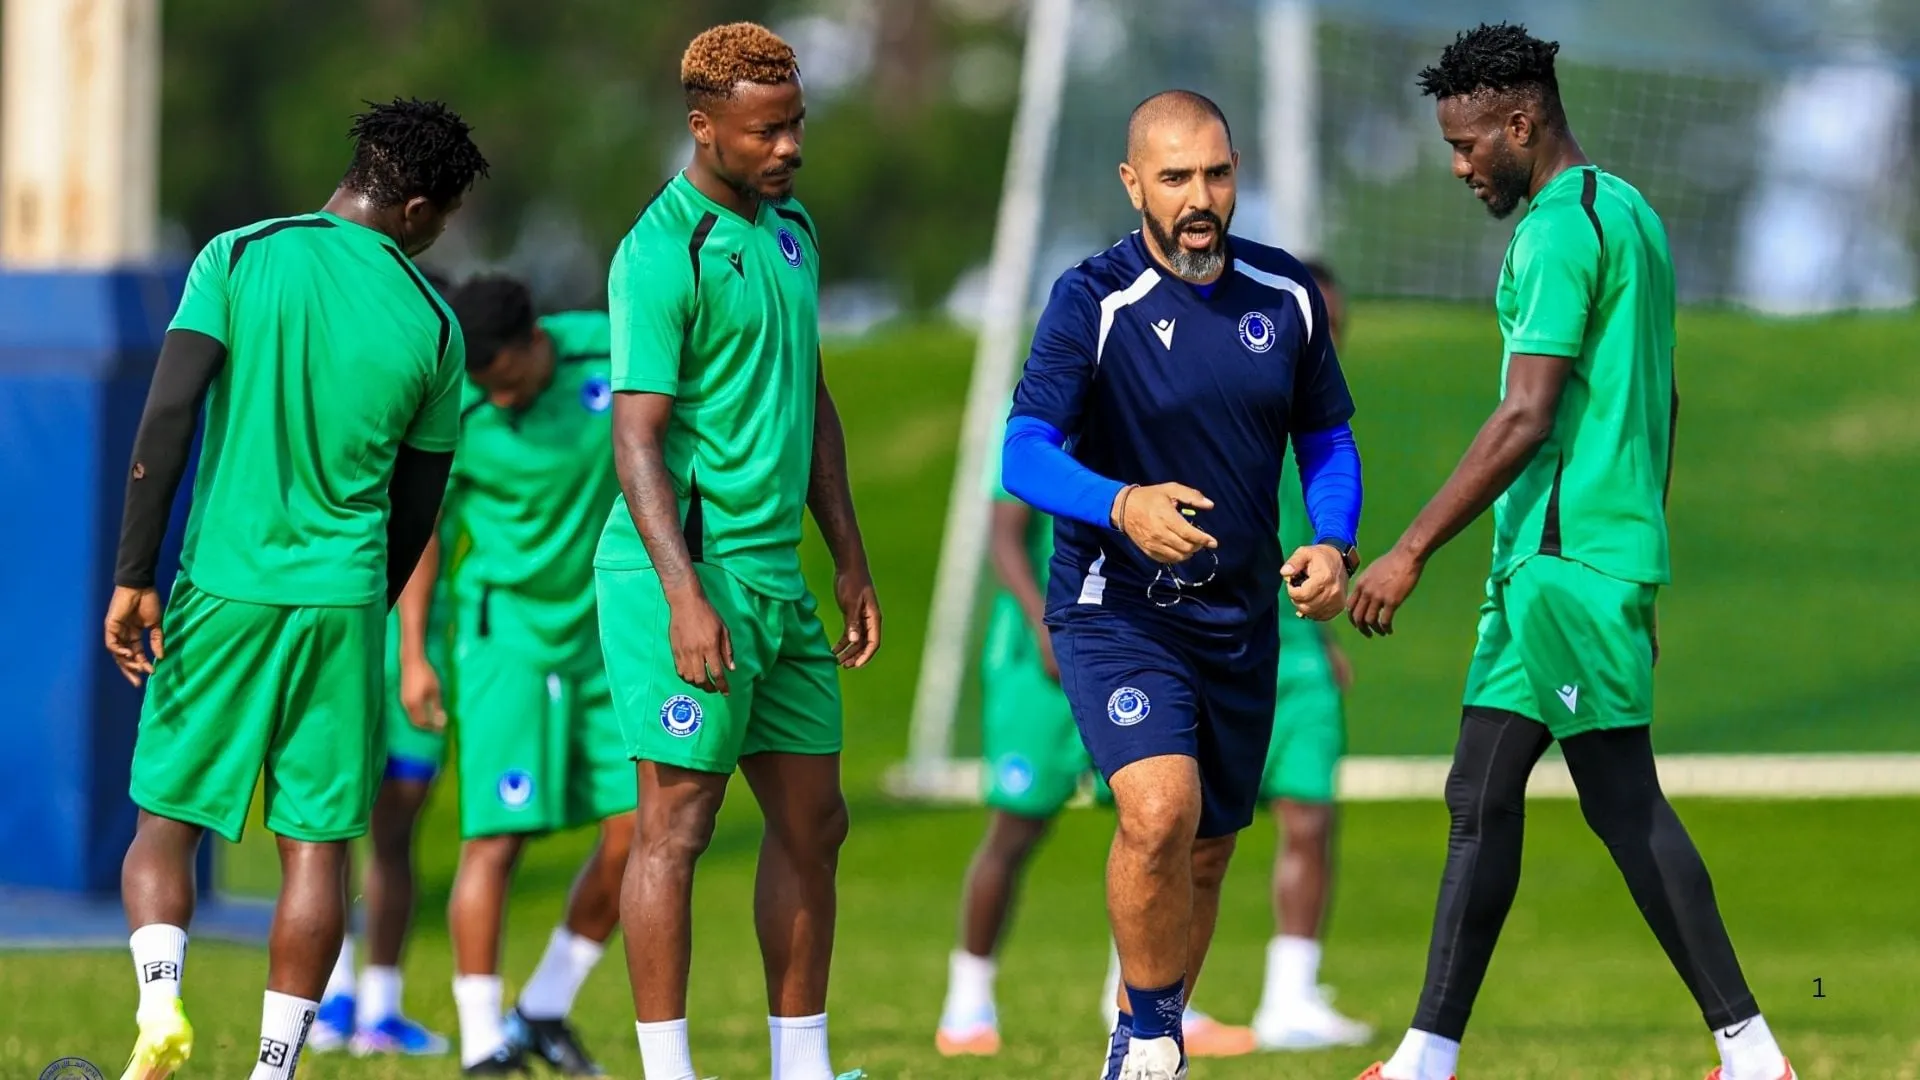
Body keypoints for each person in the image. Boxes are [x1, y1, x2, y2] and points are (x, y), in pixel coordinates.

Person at [1346, 24, 1793, 1080]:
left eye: (1468, 146)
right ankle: (1424, 1056)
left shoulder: (1554, 233)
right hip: (1563, 565)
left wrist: (1408, 550)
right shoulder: (1631, 210)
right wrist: (1638, 526)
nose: (1459, 168)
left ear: (1522, 120)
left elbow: (1525, 415)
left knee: (1620, 799)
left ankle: (1751, 1047)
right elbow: (1662, 396)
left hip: (1566, 566)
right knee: (1481, 794)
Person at [104, 98, 486, 1080]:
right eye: (440, 216)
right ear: (412, 208)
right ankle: (273, 1071)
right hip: (343, 605)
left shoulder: (238, 255)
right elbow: (417, 508)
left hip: (225, 586)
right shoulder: (436, 325)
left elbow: (168, 418)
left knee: (166, 823)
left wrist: (133, 576)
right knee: (316, 850)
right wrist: (366, 610)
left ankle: (160, 1012)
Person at [1002, 89, 1363, 1080]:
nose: (1200, 195)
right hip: (1116, 609)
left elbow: (1326, 438)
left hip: (1240, 620)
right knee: (1158, 811)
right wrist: (1122, 506)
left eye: (1217, 172)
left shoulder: (1285, 296)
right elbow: (1023, 455)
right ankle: (1155, 1047)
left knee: (1204, 851)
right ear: (1134, 184)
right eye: (1175, 177)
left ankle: (1140, 1031)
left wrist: (1334, 542)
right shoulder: (1092, 298)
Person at [595, 23, 880, 1080]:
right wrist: (682, 594)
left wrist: (846, 555)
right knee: (676, 826)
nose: (790, 147)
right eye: (768, 131)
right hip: (683, 577)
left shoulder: (794, 229)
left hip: (778, 579)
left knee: (817, 823)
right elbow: (636, 440)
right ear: (704, 127)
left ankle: (800, 1068)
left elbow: (812, 399)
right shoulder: (662, 251)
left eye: (797, 122)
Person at [934, 409, 1256, 1061]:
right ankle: (966, 1003)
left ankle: (1145, 1010)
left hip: (1139, 645)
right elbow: (1005, 537)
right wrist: (1042, 624)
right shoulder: (1047, 408)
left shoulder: (1163, 403)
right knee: (1017, 826)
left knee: (1158, 830)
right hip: (1043, 659)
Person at [431, 274, 636, 1076]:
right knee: (497, 837)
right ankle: (484, 1043)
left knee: (642, 832)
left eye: (504, 379)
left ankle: (545, 1005)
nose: (497, 399)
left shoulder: (609, 349)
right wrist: (415, 656)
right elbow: (426, 538)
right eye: (481, 387)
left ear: (534, 344)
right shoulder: (460, 404)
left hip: (605, 635)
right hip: (505, 636)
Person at [310, 267, 460, 1060]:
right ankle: (341, 1002)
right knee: (346, 828)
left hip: (372, 638)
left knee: (363, 829)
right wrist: (411, 657)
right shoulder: (390, 382)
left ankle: (368, 1007)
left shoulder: (417, 378)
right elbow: (421, 530)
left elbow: (424, 529)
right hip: (363, 639)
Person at [1245, 259, 1373, 1051]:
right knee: (1184, 831)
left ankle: (1288, 999)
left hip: (1299, 655)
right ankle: (1142, 993)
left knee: (1311, 819)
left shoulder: (1326, 429)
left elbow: (1315, 539)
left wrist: (1323, 641)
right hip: (1222, 642)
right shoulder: (1230, 398)